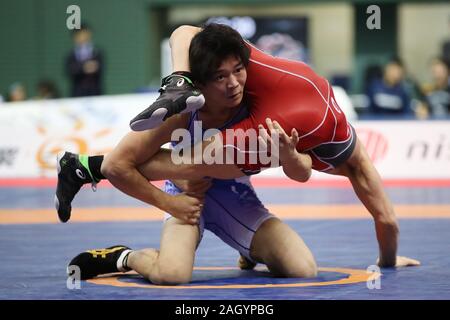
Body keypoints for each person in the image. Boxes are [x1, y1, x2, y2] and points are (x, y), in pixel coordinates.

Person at [60, 24, 419, 283]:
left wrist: (290, 156)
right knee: (171, 275)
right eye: (220, 77)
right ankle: (121, 256)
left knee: (302, 269)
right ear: (199, 82)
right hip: (184, 195)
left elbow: (303, 170)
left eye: (237, 71)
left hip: (232, 189)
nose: (233, 83)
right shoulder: (183, 111)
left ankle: (250, 248)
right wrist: (170, 204)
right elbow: (119, 166)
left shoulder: (260, 107)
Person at [65, 24, 104, 97]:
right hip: (77, 94)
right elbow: (69, 70)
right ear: (75, 37)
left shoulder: (97, 52)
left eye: (85, 34)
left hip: (95, 93)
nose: (83, 37)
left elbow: (100, 68)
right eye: (80, 35)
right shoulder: (71, 55)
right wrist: (84, 67)